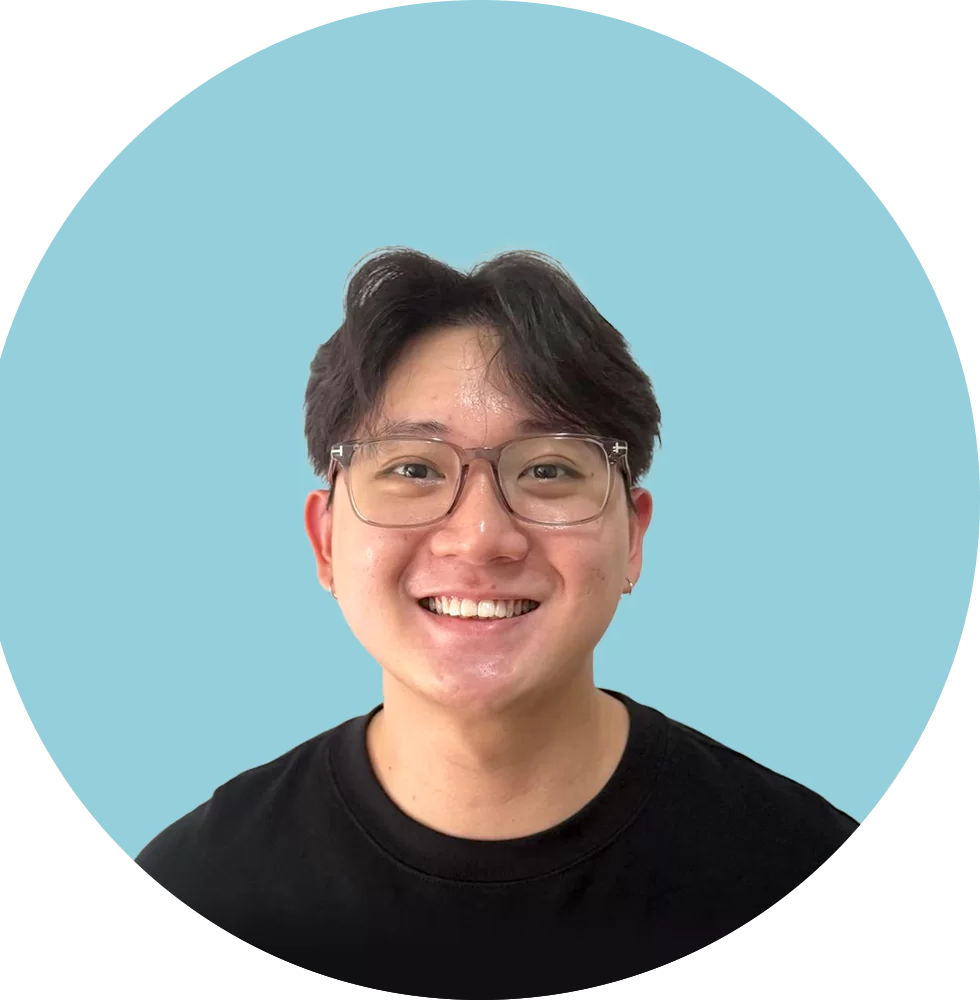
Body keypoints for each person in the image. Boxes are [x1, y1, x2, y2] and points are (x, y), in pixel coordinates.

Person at [137, 248, 857, 988]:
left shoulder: (820, 885)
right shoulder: (190, 899)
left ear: (634, 538)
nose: (481, 537)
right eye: (413, 469)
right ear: (326, 543)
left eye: (547, 469)